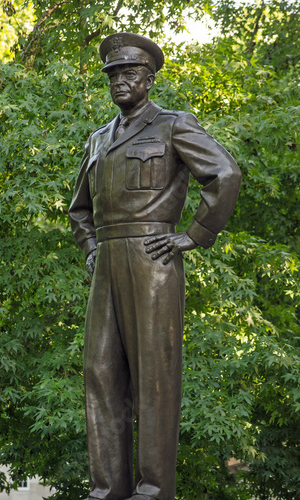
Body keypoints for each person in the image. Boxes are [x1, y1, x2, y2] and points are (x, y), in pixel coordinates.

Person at [69, 32, 241, 500]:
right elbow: (79, 210)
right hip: (106, 259)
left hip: (153, 257)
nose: (120, 81)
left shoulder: (173, 125)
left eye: (129, 73)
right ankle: (106, 489)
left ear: (148, 78)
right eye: (112, 75)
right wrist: (89, 250)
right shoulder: (98, 139)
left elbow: (224, 175)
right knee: (101, 373)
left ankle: (153, 490)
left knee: (154, 376)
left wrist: (195, 235)